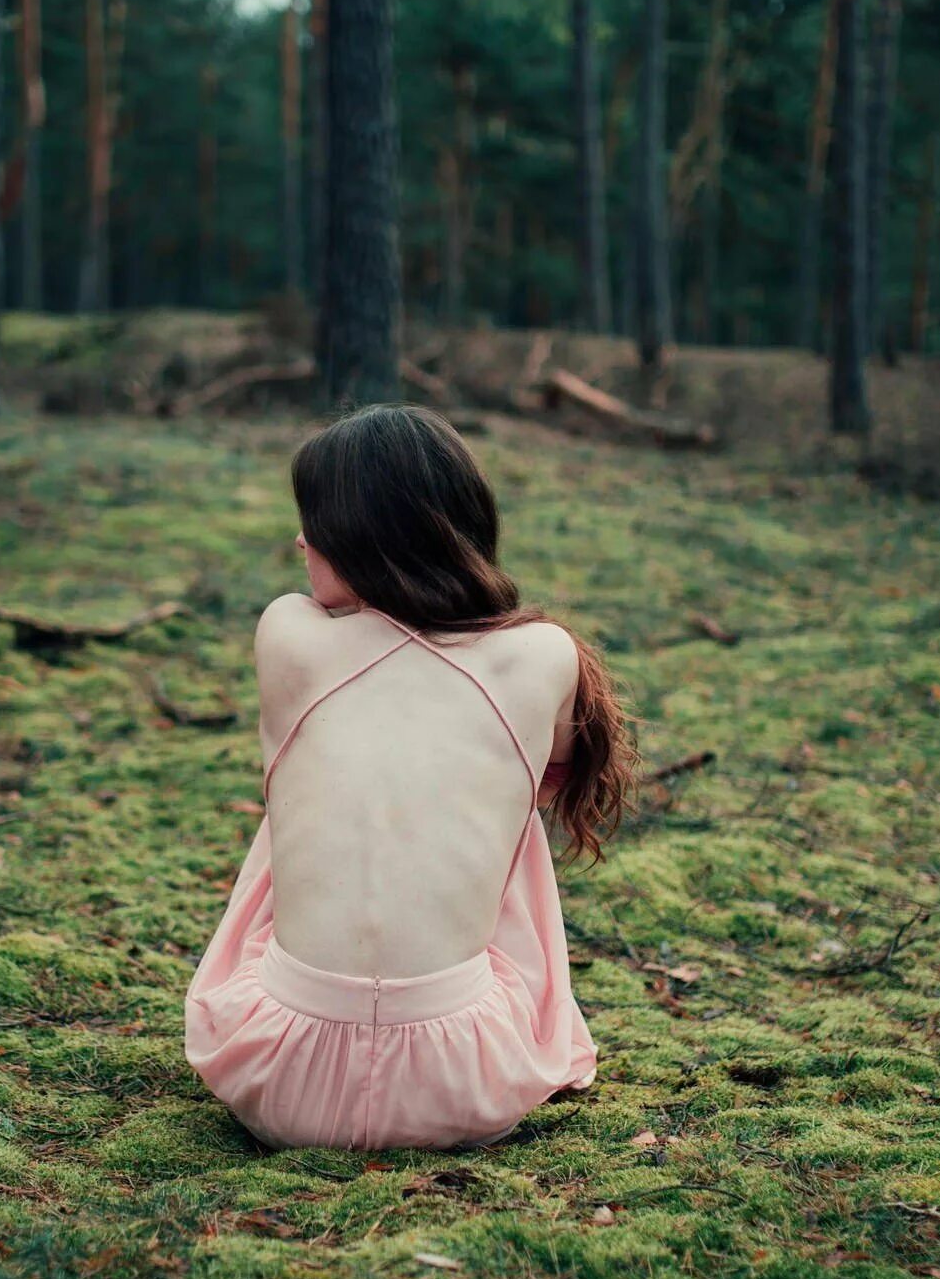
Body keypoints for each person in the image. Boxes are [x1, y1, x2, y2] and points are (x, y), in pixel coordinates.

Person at [184, 403, 632, 1151]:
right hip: (465, 1081)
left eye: (316, 520)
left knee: (325, 786)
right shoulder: (543, 654)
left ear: (364, 531)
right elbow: (550, 769)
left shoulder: (287, 633)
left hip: (280, 1072)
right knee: (504, 802)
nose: (300, 538)